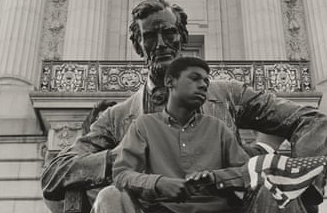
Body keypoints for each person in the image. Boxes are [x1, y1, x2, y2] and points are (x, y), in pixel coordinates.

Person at [41, 0, 327, 213]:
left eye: (168, 33)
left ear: (182, 38)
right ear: (137, 46)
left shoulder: (229, 95)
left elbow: (314, 121)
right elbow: (55, 173)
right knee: (109, 198)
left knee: (271, 190)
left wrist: (303, 188)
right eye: (149, 36)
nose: (161, 44)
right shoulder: (118, 117)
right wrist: (118, 157)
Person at [98, 57, 249, 213]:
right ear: (170, 82)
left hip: (217, 209)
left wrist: (215, 177)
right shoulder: (144, 125)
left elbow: (248, 172)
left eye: (206, 82)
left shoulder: (218, 127)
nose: (204, 85)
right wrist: (159, 183)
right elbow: (122, 174)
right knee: (109, 195)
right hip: (162, 209)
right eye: (195, 78)